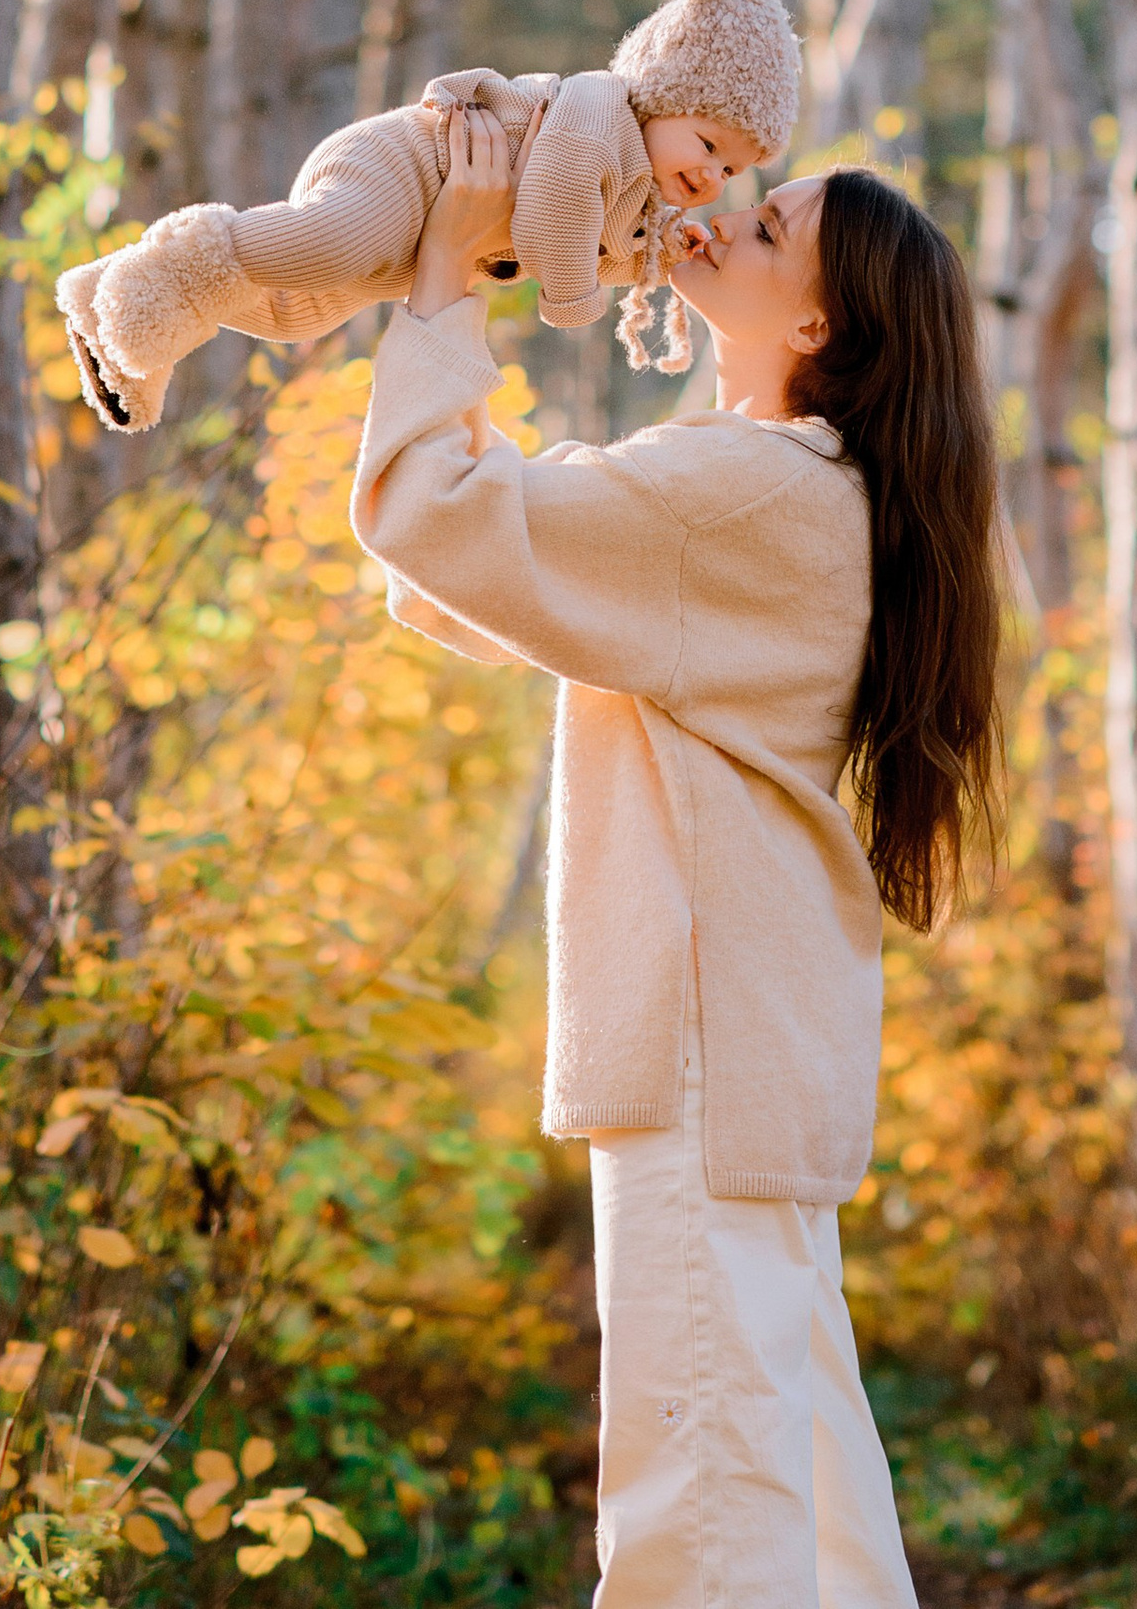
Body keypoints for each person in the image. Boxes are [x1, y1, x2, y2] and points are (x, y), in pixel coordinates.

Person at [350, 104, 1004, 1608]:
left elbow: (435, 525)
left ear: (822, 316)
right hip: (748, 1036)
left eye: (771, 227)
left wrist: (448, 287)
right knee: (792, 1483)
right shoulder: (784, 483)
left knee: (701, 1507)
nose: (731, 213)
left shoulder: (756, 489)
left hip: (711, 1043)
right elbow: (494, 575)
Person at [57, 0, 798, 432]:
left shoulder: (634, 180)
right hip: (404, 169)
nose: (711, 179)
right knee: (330, 243)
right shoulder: (598, 119)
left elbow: (587, 239)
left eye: (731, 171)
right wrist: (576, 297)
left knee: (295, 310)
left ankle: (114, 297)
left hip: (421, 241)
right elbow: (552, 215)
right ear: (660, 92)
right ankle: (169, 274)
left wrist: (652, 254)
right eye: (707, 145)